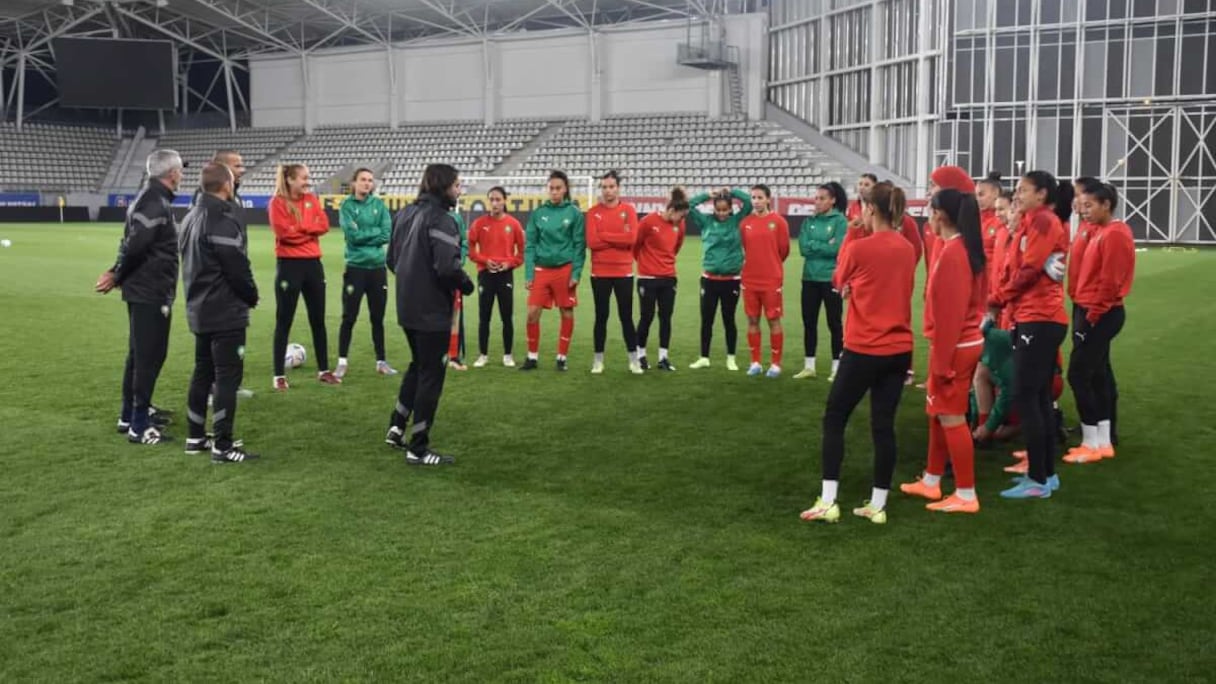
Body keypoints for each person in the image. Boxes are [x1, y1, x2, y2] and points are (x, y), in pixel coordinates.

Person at [800, 182, 917, 524]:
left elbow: (838, 280)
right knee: (883, 426)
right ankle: (878, 504)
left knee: (835, 417)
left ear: (870, 209)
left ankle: (828, 500)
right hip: (899, 349)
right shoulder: (907, 248)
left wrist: (852, 239)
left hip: (865, 346)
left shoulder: (860, 247)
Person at [900, 189, 987, 513]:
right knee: (938, 413)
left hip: (955, 346)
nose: (927, 216)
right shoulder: (961, 247)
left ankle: (966, 493)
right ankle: (932, 480)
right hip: (960, 342)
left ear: (940, 215)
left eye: (930, 210)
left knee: (951, 417)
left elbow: (950, 315)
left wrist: (940, 363)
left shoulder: (953, 253)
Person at [990, 170, 1073, 499]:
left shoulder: (1042, 222)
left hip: (1040, 318)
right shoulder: (1031, 222)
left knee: (1029, 397)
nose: (1017, 195)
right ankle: (1045, 475)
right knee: (1036, 396)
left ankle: (1039, 479)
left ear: (1041, 194)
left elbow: (1029, 269)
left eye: (1024, 190)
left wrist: (998, 299)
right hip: (1033, 317)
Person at [384, 164, 474, 465]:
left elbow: (392, 260)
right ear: (444, 186)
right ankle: (418, 447)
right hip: (431, 311)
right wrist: (466, 283)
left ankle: (396, 426)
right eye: (457, 185)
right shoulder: (442, 219)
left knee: (418, 365)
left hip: (406, 306)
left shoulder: (405, 214)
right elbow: (448, 267)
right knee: (431, 374)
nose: (459, 191)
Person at [95, 149, 183, 445]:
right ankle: (139, 425)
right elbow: (136, 246)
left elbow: (129, 243)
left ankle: (130, 414)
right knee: (149, 356)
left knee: (139, 355)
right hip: (150, 290)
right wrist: (117, 274)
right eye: (180, 171)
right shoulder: (154, 203)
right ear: (171, 174)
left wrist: (116, 271)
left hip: (146, 287)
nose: (182, 175)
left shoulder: (150, 200)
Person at [179, 163, 259, 463]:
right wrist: (251, 295)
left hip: (199, 308)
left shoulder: (189, 217)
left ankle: (195, 436)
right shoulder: (221, 219)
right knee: (227, 377)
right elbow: (236, 268)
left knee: (202, 373)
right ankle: (223, 446)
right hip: (225, 311)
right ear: (226, 185)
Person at [1064, 181, 1135, 464]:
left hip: (1100, 312)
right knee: (1097, 374)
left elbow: (1110, 280)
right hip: (1089, 308)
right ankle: (1102, 441)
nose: (1085, 211)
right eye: (1082, 205)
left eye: (1090, 205)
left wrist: (1093, 314)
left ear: (1106, 205)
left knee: (1079, 374)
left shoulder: (1115, 234)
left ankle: (1092, 440)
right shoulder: (1095, 230)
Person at [269, 163, 339, 390]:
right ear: (290, 179)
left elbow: (324, 225)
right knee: (284, 321)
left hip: (313, 265)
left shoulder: (311, 199)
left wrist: (299, 229)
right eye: (304, 178)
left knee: (318, 320)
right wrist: (308, 231)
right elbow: (283, 233)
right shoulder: (277, 203)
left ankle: (324, 370)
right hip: (289, 266)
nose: (308, 181)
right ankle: (279, 375)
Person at [521, 170, 585, 372]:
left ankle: (561, 357)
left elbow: (579, 246)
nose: (555, 192)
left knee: (566, 312)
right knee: (532, 313)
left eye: (558, 188)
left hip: (564, 269)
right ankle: (532, 357)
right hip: (541, 270)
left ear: (565, 189)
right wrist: (529, 273)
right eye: (551, 188)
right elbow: (530, 244)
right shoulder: (539, 214)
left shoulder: (574, 213)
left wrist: (576, 273)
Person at [335, 168, 396, 380]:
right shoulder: (347, 206)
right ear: (354, 182)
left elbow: (387, 234)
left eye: (370, 180)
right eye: (363, 180)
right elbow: (352, 237)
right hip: (355, 268)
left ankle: (381, 362)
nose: (367, 183)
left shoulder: (379, 205)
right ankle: (342, 361)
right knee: (348, 316)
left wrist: (365, 234)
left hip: (378, 269)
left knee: (377, 318)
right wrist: (373, 234)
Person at [686, 187, 750, 370]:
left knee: (729, 319)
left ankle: (731, 358)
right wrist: (708, 194)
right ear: (713, 208)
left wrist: (733, 191)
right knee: (707, 319)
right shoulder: (705, 222)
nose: (722, 213)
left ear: (731, 209)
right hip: (709, 279)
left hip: (731, 280)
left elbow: (749, 203)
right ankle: (704, 357)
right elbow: (689, 206)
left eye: (725, 209)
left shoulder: (738, 220)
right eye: (718, 209)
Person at [585, 170, 642, 374]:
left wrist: (605, 236)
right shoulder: (593, 212)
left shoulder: (629, 210)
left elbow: (632, 239)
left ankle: (634, 360)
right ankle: (598, 360)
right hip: (599, 273)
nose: (608, 190)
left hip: (624, 272)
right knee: (601, 317)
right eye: (604, 187)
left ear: (618, 188)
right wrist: (619, 237)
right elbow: (592, 242)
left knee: (626, 317)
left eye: (611, 186)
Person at [794, 182, 848, 380]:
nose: (817, 202)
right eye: (816, 198)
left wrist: (815, 245)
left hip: (830, 278)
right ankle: (809, 366)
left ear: (832, 200)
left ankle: (836, 367)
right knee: (809, 322)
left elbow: (838, 250)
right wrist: (824, 244)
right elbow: (803, 248)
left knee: (834, 323)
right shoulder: (809, 221)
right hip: (809, 277)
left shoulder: (840, 221)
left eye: (822, 198)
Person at [634, 187, 689, 371]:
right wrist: (645, 264)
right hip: (647, 278)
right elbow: (636, 245)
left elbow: (677, 246)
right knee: (646, 317)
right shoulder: (648, 222)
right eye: (680, 216)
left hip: (669, 279)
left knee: (666, 318)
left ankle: (663, 358)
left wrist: (665, 263)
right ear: (671, 211)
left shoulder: (679, 225)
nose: (682, 220)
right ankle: (640, 355)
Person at [468, 186, 524, 368]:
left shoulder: (514, 224)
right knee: (484, 316)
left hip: (505, 275)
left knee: (506, 316)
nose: (494, 203)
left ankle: (507, 355)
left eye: (498, 199)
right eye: (491, 199)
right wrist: (484, 261)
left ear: (505, 200)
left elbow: (522, 254)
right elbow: (469, 248)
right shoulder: (479, 223)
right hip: (485, 274)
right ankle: (483, 355)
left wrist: (509, 263)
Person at [740, 184, 790, 377]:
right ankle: (755, 362)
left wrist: (772, 265)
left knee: (773, 319)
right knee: (752, 319)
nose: (757, 201)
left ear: (768, 199)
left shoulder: (779, 222)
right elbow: (746, 248)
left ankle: (776, 364)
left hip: (771, 279)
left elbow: (783, 250)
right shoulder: (745, 223)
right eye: (753, 198)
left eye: (760, 197)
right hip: (750, 279)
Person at [446, 206, 470, 370]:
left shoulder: (456, 218)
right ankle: (436, 356)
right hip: (432, 275)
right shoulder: (426, 215)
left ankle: (454, 356)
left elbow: (464, 243)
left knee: (455, 313)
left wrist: (459, 262)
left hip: (452, 273)